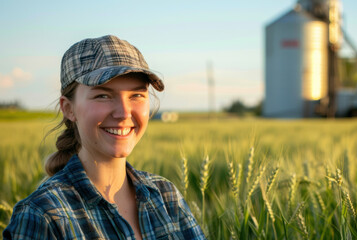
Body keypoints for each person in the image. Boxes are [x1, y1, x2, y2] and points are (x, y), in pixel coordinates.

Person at [3, 35, 206, 240]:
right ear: (68, 108)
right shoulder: (43, 215)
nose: (124, 113)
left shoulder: (166, 196)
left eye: (136, 95)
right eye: (103, 96)